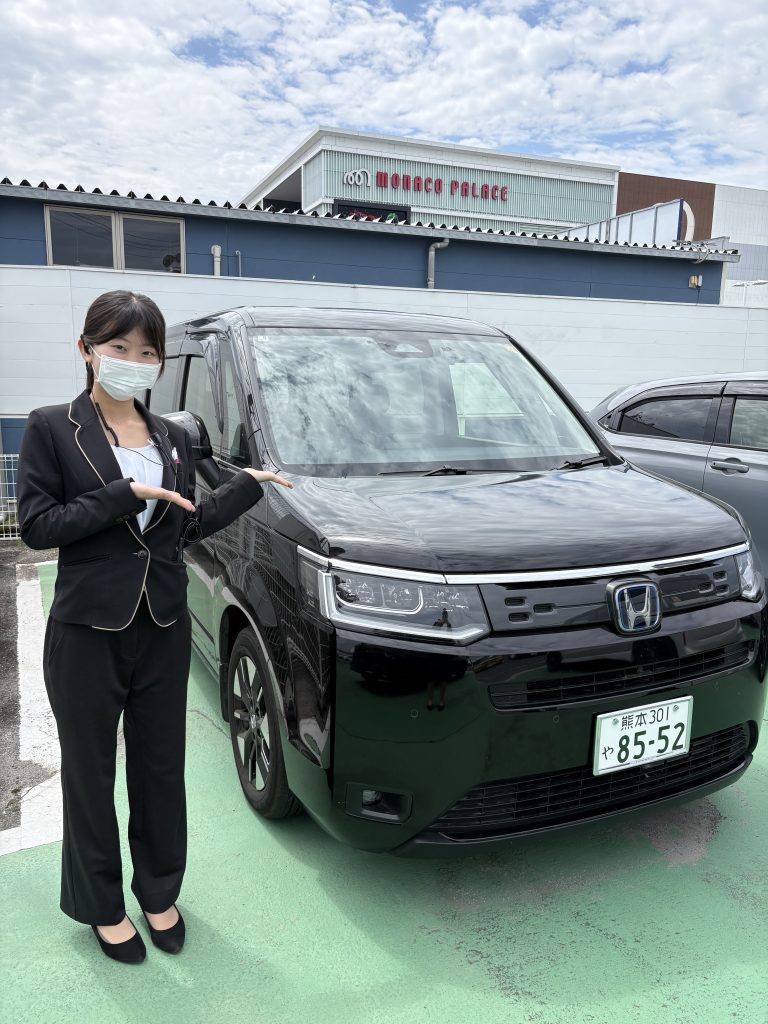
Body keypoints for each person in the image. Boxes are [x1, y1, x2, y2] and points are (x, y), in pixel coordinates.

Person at [16, 289, 293, 965]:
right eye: (120, 347)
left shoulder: (172, 435)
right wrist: (121, 496)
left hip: (163, 624)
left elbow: (183, 525)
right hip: (87, 629)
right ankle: (102, 906)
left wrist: (247, 486)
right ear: (87, 351)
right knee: (90, 773)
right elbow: (38, 527)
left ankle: (159, 892)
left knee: (162, 770)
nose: (134, 361)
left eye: (147, 352)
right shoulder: (51, 427)